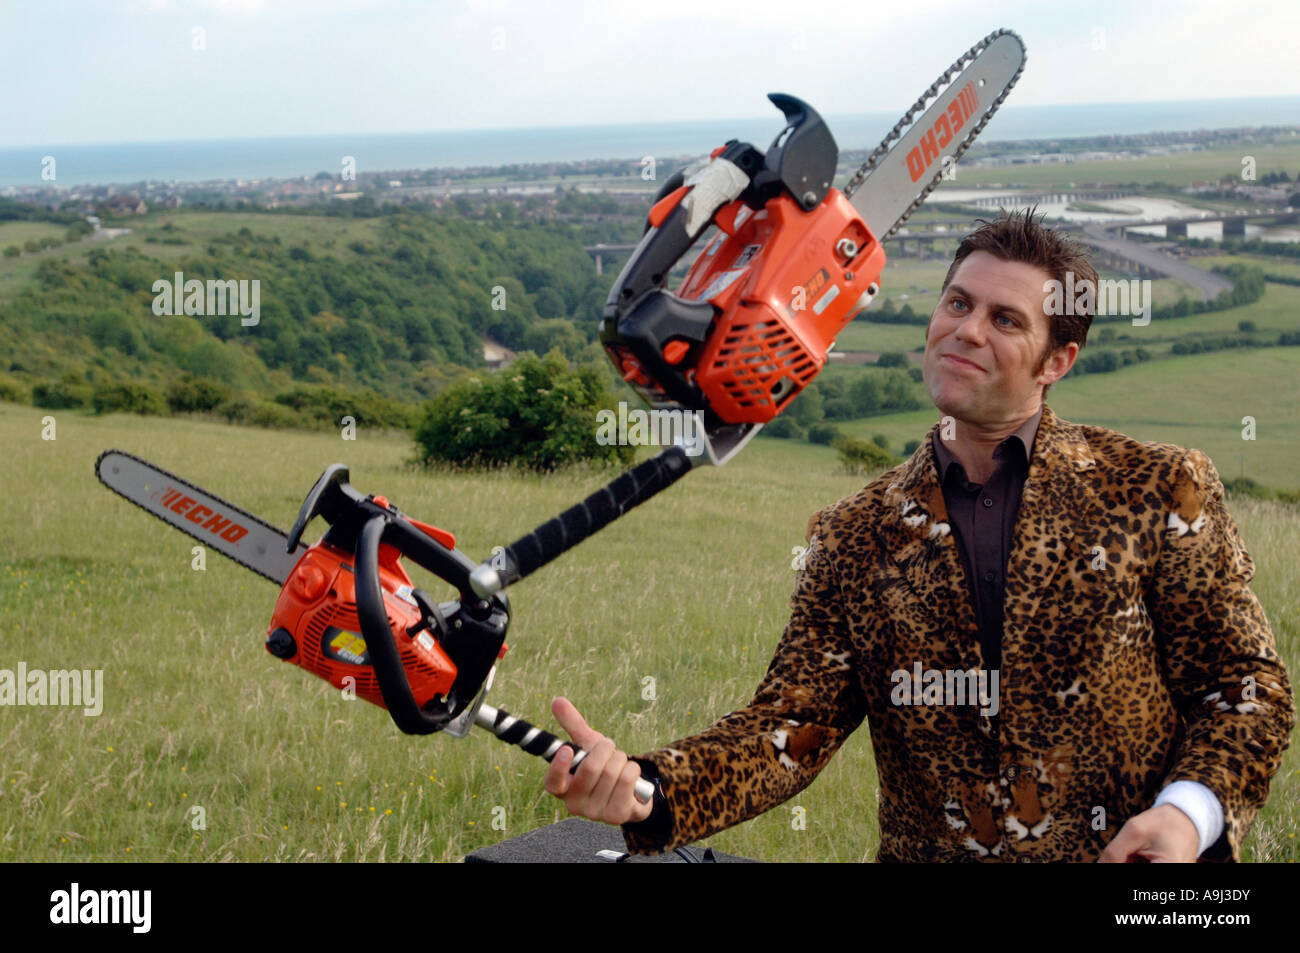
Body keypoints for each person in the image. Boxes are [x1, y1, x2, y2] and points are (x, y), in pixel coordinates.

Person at [542, 208, 1296, 862]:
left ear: (1057, 360)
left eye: (1005, 320)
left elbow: (1244, 687)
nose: (966, 330)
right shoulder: (852, 535)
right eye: (957, 302)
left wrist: (1187, 814)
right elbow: (787, 728)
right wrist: (648, 789)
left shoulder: (1160, 487)